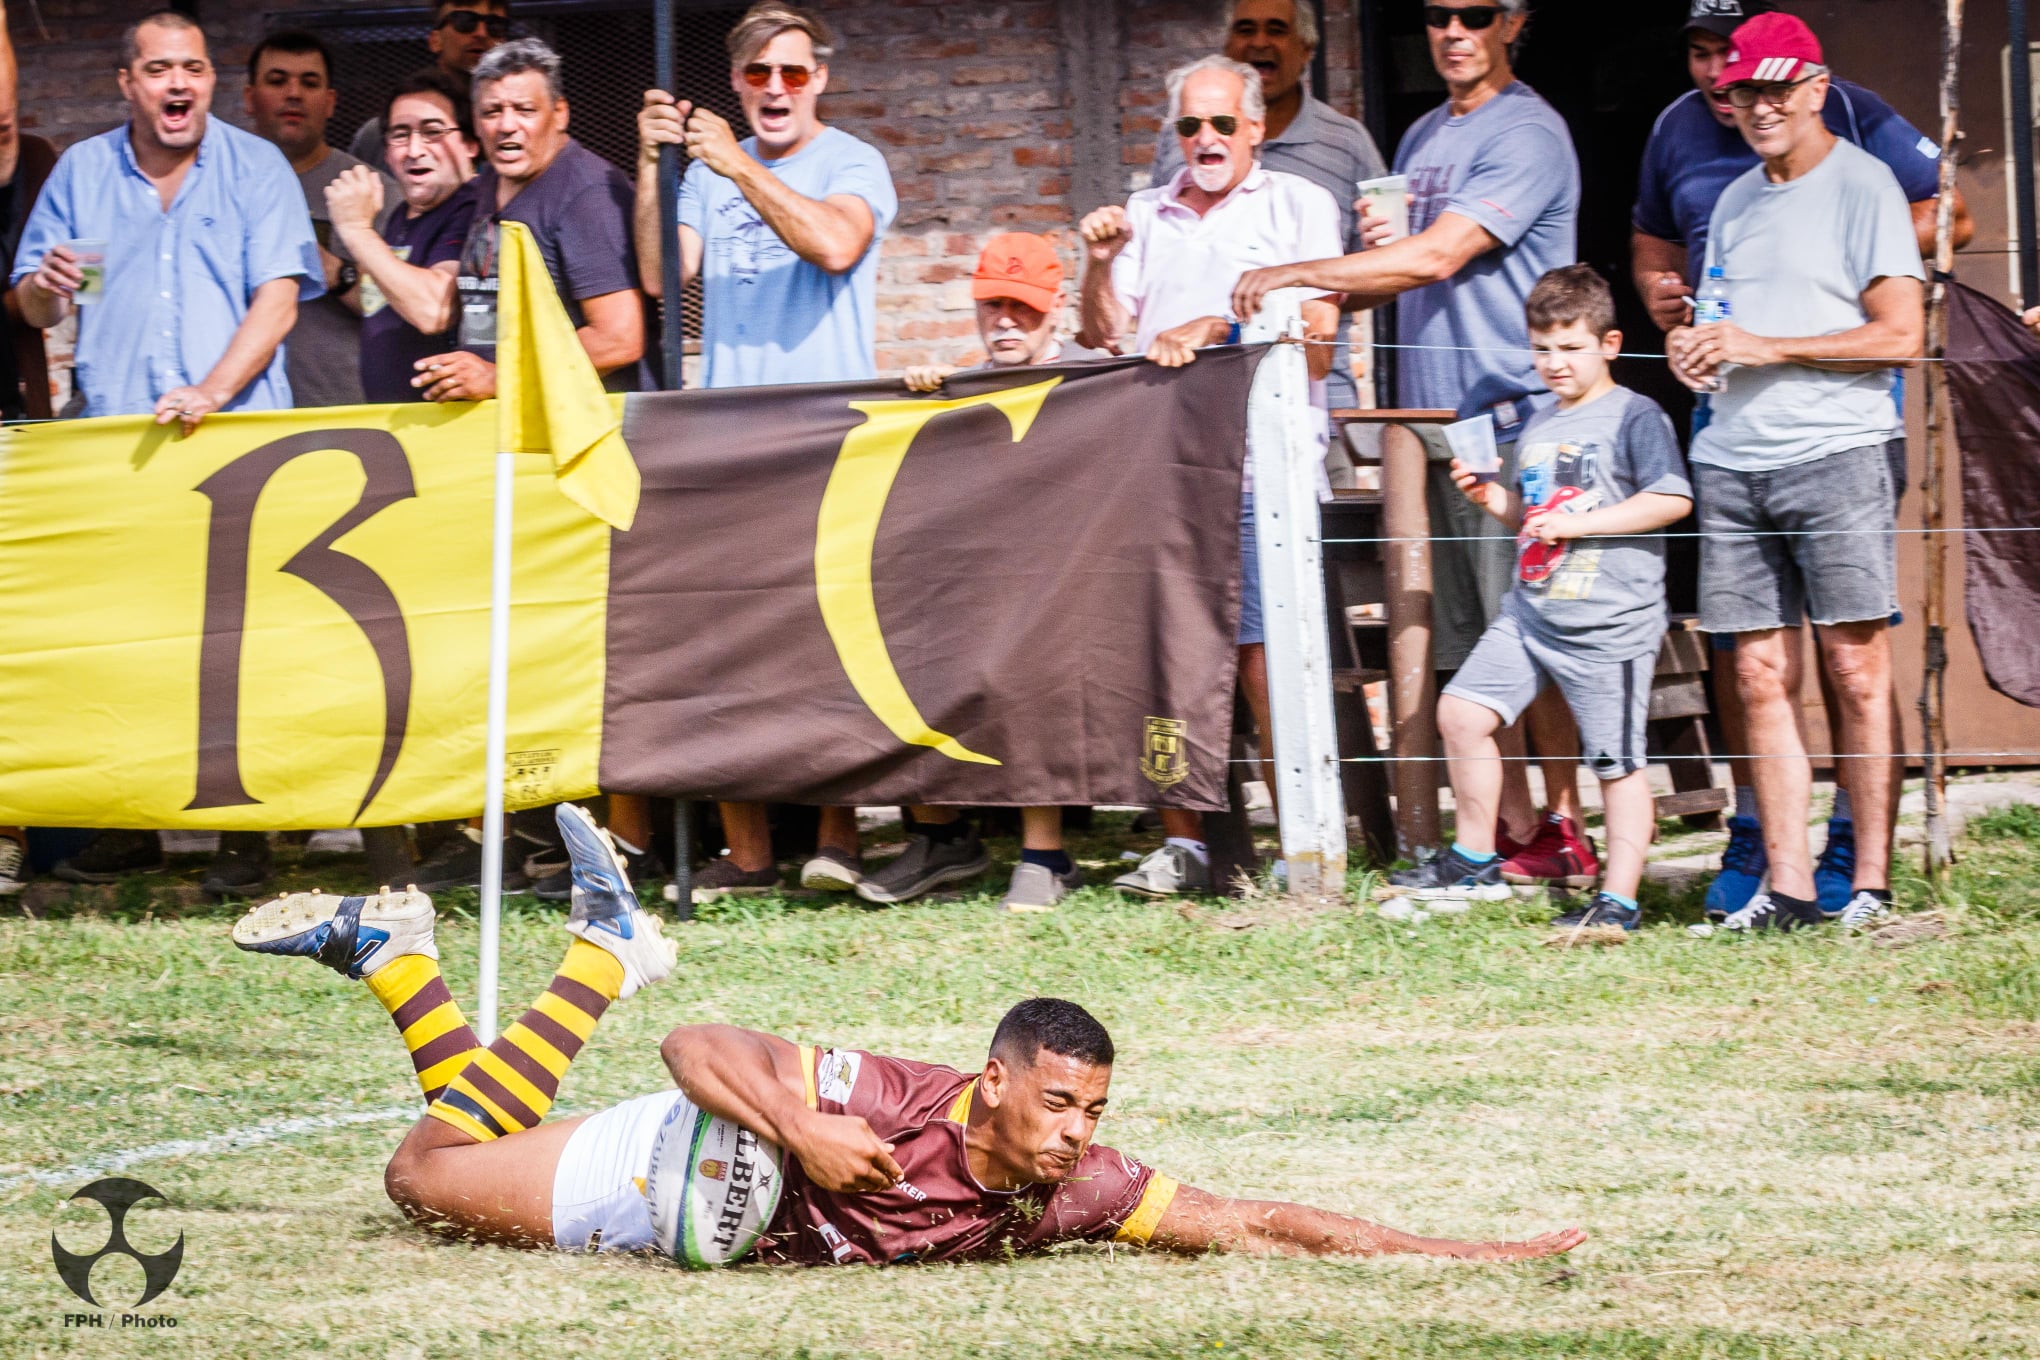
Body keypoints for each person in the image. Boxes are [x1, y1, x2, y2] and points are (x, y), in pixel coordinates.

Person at [227, 810, 1586, 1267]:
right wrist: (805, 1130)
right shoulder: (895, 1097)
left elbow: (1255, 1220)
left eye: (1094, 1111)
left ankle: (404, 964)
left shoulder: (1080, 1187)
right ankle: (602, 958)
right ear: (994, 1083)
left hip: (706, 1206)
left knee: (473, 1138)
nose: (1079, 1135)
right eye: (1059, 1104)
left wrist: (1472, 1253)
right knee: (420, 1176)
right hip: (679, 1171)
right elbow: (700, 1044)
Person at [1232, 0, 1594, 891]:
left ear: (1514, 23)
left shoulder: (1530, 130)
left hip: (1513, 417)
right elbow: (1403, 265)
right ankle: (1511, 828)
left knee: (1529, 635)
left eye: (1475, 14)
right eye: (1438, 15)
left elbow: (1437, 257)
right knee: (1466, 643)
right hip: (1432, 422)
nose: (1454, 31)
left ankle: (1567, 827)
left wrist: (1298, 271)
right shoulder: (1427, 135)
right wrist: (1335, 288)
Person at [1632, 0, 1971, 923]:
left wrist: (1768, 346)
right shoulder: (1734, 200)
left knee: (1854, 666)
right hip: (1732, 454)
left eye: (1779, 88)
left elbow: (1899, 335)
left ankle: (1867, 882)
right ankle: (1784, 887)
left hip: (1838, 448)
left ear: (1818, 89)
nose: (1760, 104)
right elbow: (1723, 321)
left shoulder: (1867, 185)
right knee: (1755, 674)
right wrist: (1694, 346)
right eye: (1745, 90)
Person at [11, 11, 321, 887]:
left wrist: (211, 390)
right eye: (158, 69)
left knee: (237, 647)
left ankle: (244, 838)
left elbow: (278, 300)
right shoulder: (83, 173)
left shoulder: (255, 168)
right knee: (131, 641)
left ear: (211, 80)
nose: (178, 83)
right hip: (123, 449)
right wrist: (44, 288)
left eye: (193, 67)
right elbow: (41, 306)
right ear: (128, 83)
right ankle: (135, 822)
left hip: (236, 443)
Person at [634, 2, 898, 903]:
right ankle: (746, 853)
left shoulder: (851, 161)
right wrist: (651, 166)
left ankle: (838, 840)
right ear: (737, 82)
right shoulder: (706, 173)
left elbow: (836, 244)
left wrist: (736, 164)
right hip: (728, 434)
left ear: (819, 77)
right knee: (724, 642)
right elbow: (661, 274)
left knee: (825, 645)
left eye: (792, 71)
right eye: (757, 74)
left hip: (824, 432)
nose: (775, 88)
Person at [1074, 54, 1340, 899]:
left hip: (1264, 472)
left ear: (1256, 127)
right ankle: (1184, 846)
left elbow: (1320, 340)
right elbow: (1104, 337)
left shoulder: (1299, 203)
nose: (1206, 139)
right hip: (1159, 473)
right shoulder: (1142, 214)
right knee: (1163, 662)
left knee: (1265, 662)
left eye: (1223, 123)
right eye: (1190, 125)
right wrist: (1097, 264)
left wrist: (1219, 326)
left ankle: (1299, 845)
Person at [397, 37, 649, 895]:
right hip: (504, 461)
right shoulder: (487, 192)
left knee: (588, 650)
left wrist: (495, 376)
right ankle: (533, 837)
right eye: (493, 111)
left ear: (560, 115)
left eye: (524, 110)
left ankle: (622, 845)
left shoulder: (582, 192)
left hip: (577, 460)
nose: (507, 126)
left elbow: (619, 335)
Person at [1385, 267, 1692, 930]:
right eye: (1542, 348)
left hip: (1609, 623)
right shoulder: (1539, 423)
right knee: (1461, 714)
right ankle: (1474, 861)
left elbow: (1672, 498)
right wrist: (1489, 498)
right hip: (1531, 612)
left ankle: (1618, 902)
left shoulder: (1637, 414)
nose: (1556, 362)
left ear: (1609, 344)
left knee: (1615, 763)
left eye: (1571, 347)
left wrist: (1583, 524)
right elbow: (1532, 517)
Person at [859, 233, 1111, 913]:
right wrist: (934, 399)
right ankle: (940, 836)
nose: (1005, 320)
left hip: (1070, 592)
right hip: (978, 585)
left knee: (1026, 658)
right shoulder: (967, 384)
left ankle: (1044, 854)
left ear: (1056, 308)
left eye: (1023, 307)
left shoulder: (1098, 382)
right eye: (993, 305)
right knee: (906, 646)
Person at [1150, 0, 1385, 413]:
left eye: (1276, 30)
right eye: (1246, 30)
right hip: (1191, 401)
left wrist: (1318, 291)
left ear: (1306, 49)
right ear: (1227, 45)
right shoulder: (1179, 141)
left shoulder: (1346, 143)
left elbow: (1386, 272)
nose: (1259, 42)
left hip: (1312, 398)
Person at [245, 29, 398, 413]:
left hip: (342, 411)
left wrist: (335, 272)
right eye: (277, 81)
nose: (293, 93)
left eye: (309, 83)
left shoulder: (372, 189)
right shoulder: (217, 187)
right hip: (240, 411)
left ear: (330, 102)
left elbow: (403, 310)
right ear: (250, 98)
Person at [327, 68, 482, 404]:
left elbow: (434, 309)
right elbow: (386, 301)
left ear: (471, 143)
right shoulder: (403, 213)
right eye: (400, 134)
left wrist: (357, 230)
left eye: (433, 132)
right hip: (395, 421)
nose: (414, 149)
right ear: (386, 152)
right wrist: (334, 273)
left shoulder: (474, 206)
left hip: (446, 424)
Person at [349, 0, 510, 165]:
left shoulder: (514, 127)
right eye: (465, 22)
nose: (482, 33)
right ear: (435, 41)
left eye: (495, 26)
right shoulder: (379, 136)